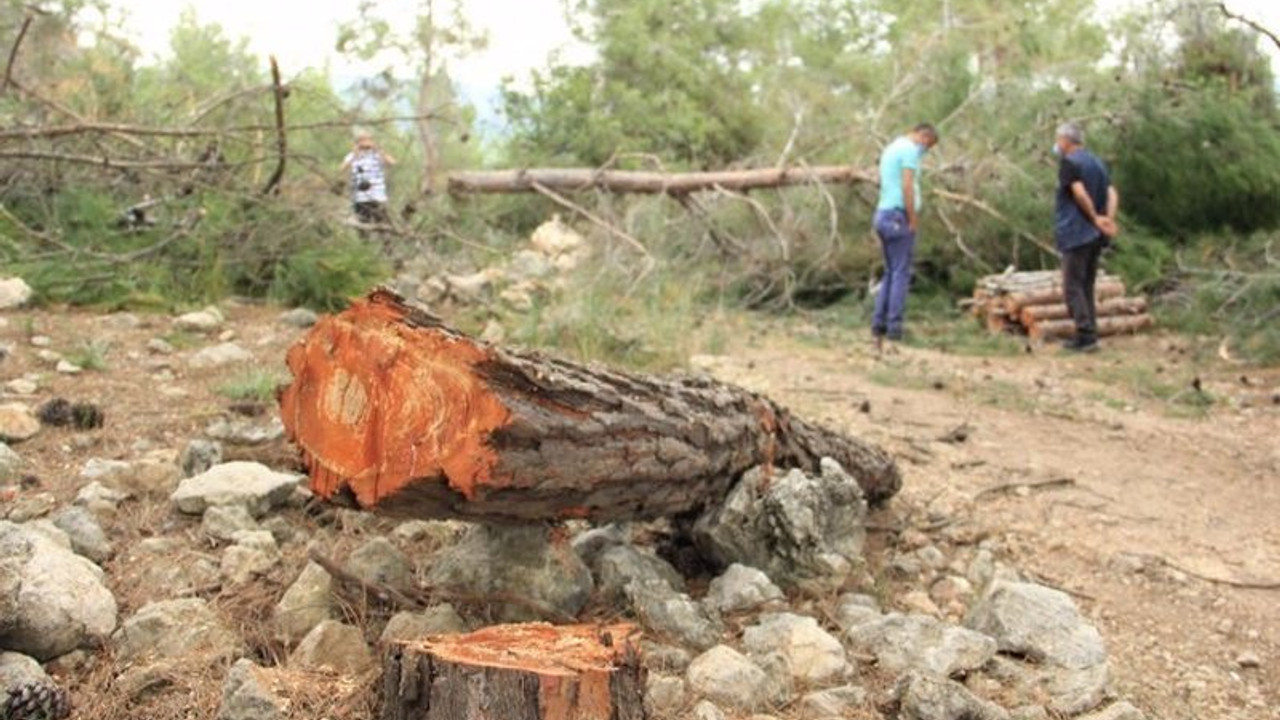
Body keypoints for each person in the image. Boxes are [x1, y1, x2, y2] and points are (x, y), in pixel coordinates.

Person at [1052, 122, 1119, 353]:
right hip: (1096, 235)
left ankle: (1085, 334)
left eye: (1058, 139)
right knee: (1087, 284)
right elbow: (1111, 192)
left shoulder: (1070, 163)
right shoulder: (1098, 163)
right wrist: (1107, 219)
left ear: (1066, 141)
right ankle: (1091, 330)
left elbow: (1078, 192)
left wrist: (1093, 218)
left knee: (1072, 285)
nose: (1057, 144)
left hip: (1076, 232)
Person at [871, 123, 939, 350]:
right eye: (927, 146)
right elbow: (907, 185)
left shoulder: (891, 148)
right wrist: (912, 218)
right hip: (897, 216)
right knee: (900, 273)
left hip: (882, 214)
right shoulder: (909, 150)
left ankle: (878, 325)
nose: (925, 151)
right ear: (922, 136)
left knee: (891, 272)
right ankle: (894, 328)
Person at [341, 132, 396, 226]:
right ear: (358, 143)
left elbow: (392, 162)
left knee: (383, 224)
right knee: (363, 226)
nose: (366, 143)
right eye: (363, 141)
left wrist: (379, 151)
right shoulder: (352, 155)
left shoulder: (377, 155)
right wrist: (354, 154)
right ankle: (365, 241)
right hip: (360, 198)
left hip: (378, 196)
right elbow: (342, 168)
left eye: (369, 140)